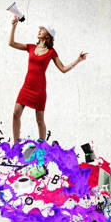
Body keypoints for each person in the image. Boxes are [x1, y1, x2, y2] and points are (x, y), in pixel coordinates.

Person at [9, 16, 88, 145]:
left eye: (42, 29)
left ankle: (42, 147)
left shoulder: (51, 52)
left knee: (39, 120)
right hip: (26, 87)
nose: (39, 30)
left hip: (39, 90)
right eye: (39, 29)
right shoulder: (30, 47)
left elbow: (63, 68)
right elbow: (11, 43)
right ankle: (16, 144)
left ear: (48, 35)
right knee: (15, 114)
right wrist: (14, 25)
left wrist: (78, 60)